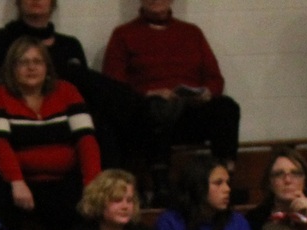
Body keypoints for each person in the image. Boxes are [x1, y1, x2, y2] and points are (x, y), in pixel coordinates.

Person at [0, 37, 101, 230]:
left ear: (47, 67)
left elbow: (86, 140)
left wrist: (92, 184)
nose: (31, 67)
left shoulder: (67, 91)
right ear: (11, 68)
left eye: (37, 61)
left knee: (86, 203)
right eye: (23, 62)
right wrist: (16, 181)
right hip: (15, 180)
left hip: (61, 179)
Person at [101, 0, 241, 164]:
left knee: (226, 107)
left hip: (188, 111)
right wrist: (148, 94)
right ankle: (159, 177)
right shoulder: (123, 34)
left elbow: (215, 79)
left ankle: (224, 171)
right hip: (148, 114)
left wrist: (205, 93)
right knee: (155, 110)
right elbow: (113, 86)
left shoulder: (192, 33)